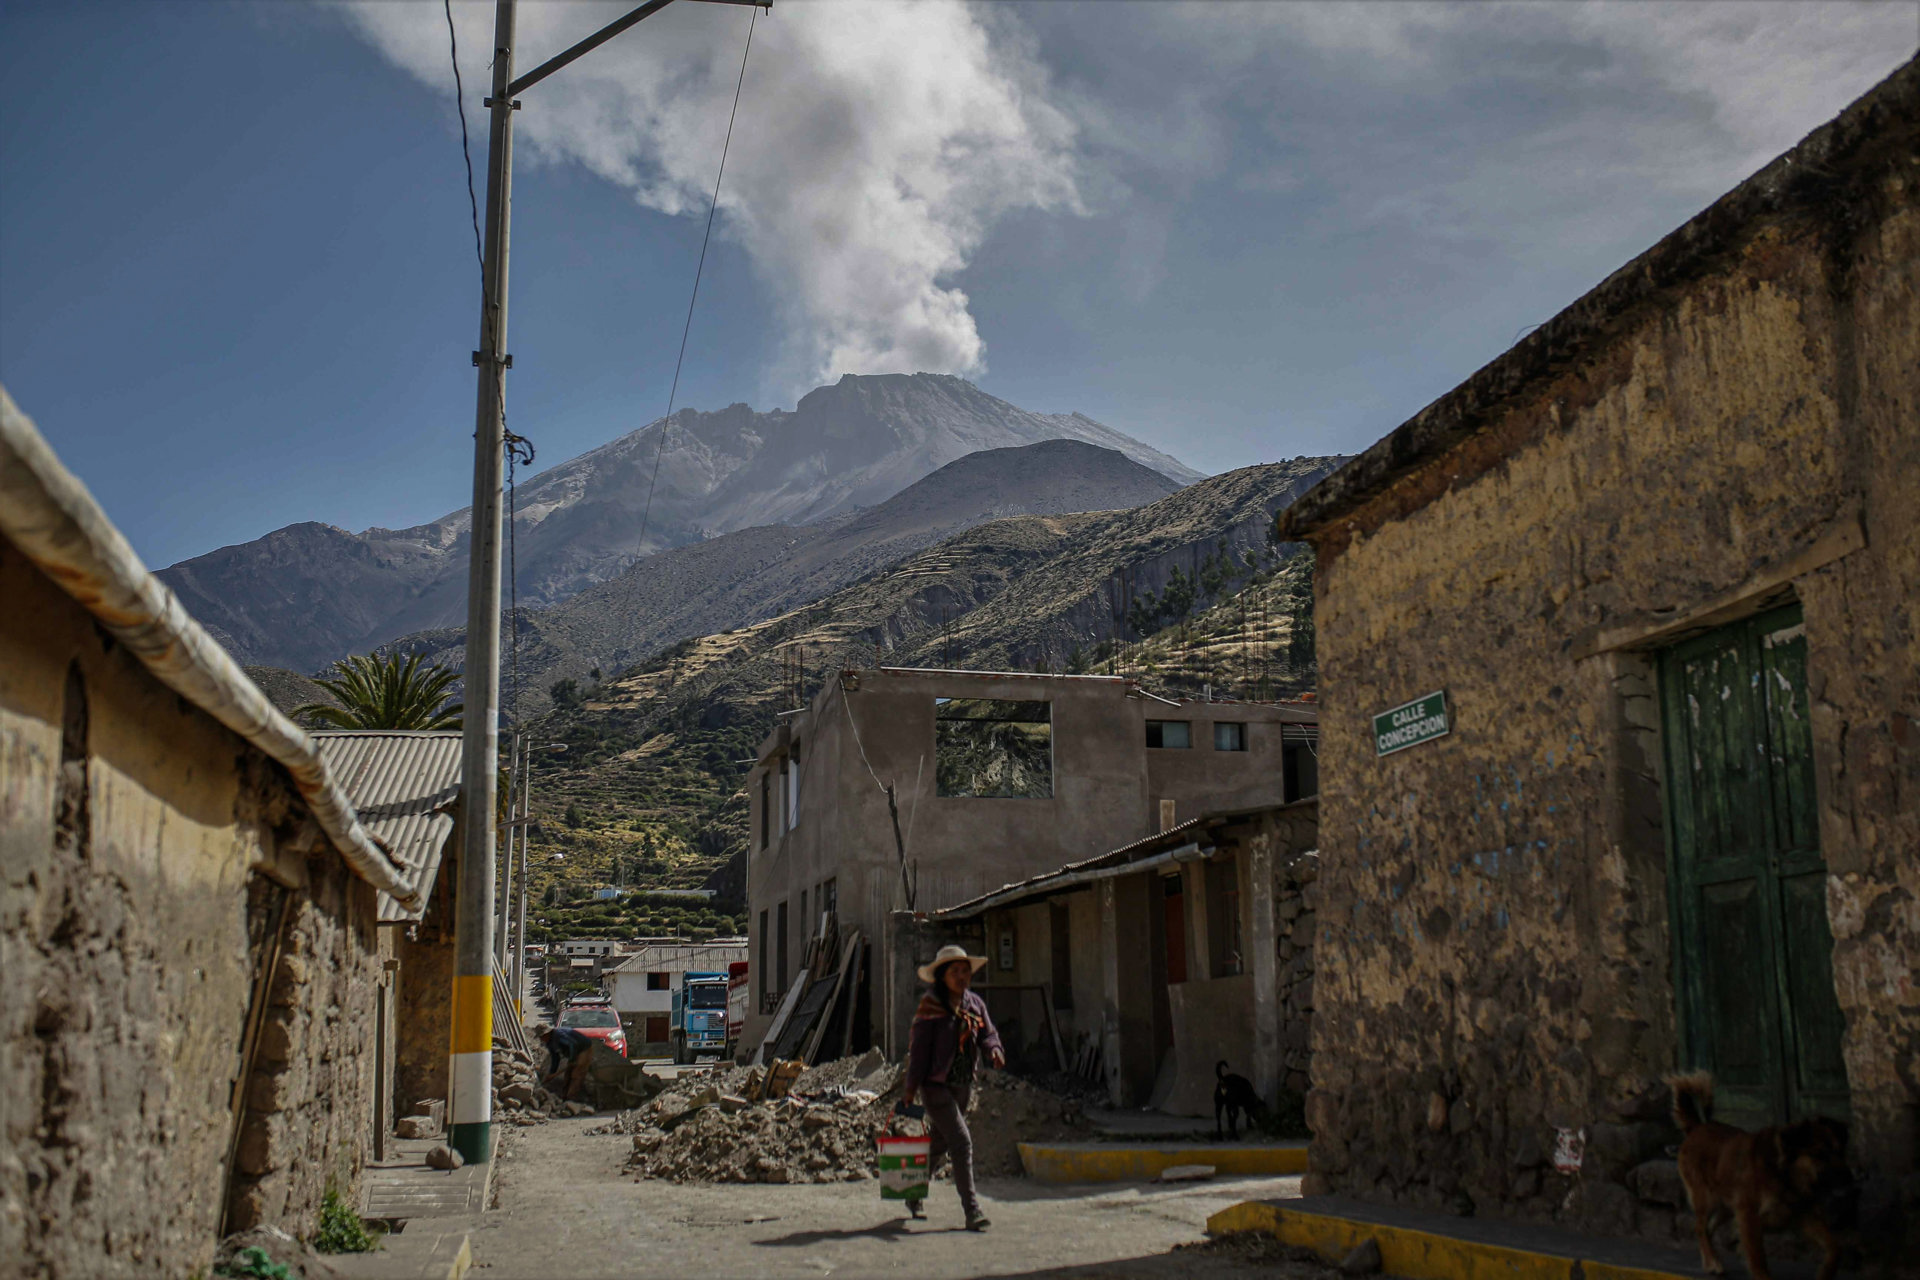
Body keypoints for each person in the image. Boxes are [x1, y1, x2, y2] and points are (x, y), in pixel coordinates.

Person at [898, 944, 1004, 1231]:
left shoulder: (975, 1004)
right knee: (961, 1141)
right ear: (943, 976)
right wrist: (910, 1089)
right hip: (935, 1088)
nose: (961, 977)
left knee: (941, 1143)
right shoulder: (930, 1007)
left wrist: (994, 1049)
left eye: (965, 971)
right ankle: (972, 1210)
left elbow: (987, 1034)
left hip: (962, 1086)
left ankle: (913, 1191)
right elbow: (919, 1052)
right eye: (955, 972)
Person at [535, 1021, 594, 1101]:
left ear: (546, 1034)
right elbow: (555, 1058)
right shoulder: (549, 1043)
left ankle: (571, 1099)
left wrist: (572, 1060)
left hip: (583, 1048)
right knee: (567, 1075)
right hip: (573, 1051)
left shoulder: (559, 1036)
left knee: (576, 1074)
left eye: (541, 1037)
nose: (541, 1039)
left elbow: (572, 1044)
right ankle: (564, 1097)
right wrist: (552, 1073)